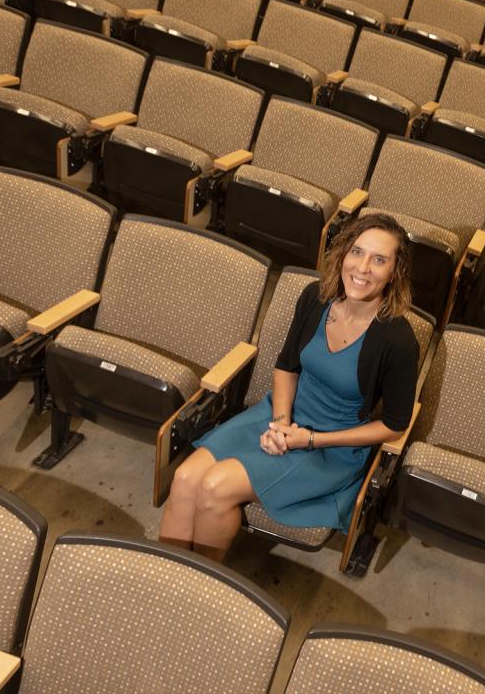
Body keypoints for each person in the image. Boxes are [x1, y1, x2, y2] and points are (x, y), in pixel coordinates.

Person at [158, 214, 419, 561]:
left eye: (379, 259)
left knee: (213, 487)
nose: (363, 267)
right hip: (280, 414)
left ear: (394, 272)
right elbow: (286, 367)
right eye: (357, 252)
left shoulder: (398, 340)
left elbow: (394, 424)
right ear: (343, 254)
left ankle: (200, 590)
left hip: (329, 446)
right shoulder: (316, 297)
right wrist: (281, 424)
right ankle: (164, 581)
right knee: (186, 477)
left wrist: (310, 439)